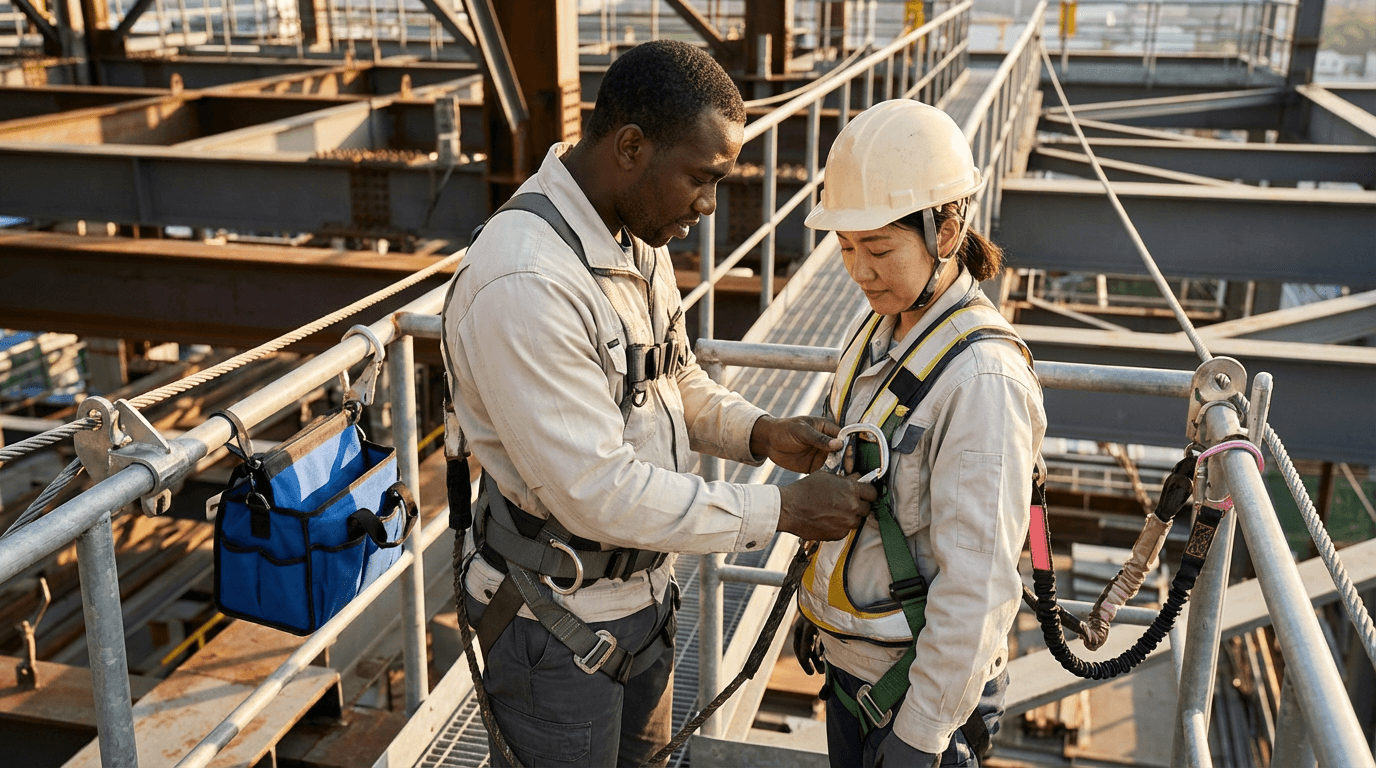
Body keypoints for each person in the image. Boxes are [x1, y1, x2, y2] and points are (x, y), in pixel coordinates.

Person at [440, 40, 877, 768]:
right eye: (702, 180)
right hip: (557, 630)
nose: (709, 205)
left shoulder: (637, 238)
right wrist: (783, 512)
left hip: (640, 608)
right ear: (632, 147)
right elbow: (596, 491)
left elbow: (671, 383)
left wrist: (761, 435)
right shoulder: (525, 280)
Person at [794, 99, 1047, 768]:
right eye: (847, 247)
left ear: (946, 228)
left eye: (878, 248)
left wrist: (923, 732)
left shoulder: (981, 380)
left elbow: (981, 582)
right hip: (857, 670)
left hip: (914, 697)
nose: (858, 270)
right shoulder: (883, 330)